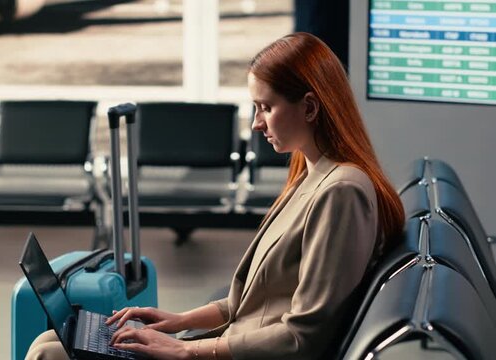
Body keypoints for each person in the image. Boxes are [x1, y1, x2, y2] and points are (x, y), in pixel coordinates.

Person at [25, 32, 405, 360]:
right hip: (232, 346)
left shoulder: (341, 193)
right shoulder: (311, 176)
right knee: (58, 339)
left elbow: (302, 337)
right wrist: (179, 320)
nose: (257, 123)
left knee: (51, 351)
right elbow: (255, 303)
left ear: (308, 107)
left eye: (265, 108)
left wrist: (185, 349)